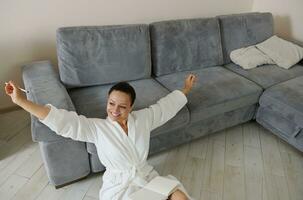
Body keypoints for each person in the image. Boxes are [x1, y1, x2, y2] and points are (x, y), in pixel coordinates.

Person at [5, 74, 197, 200]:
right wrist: (21, 101)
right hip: (121, 187)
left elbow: (165, 107)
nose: (115, 110)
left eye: (122, 106)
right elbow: (63, 121)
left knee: (180, 196)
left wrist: (185, 89)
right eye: (111, 103)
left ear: (131, 107)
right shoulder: (97, 128)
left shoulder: (143, 118)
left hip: (145, 176)